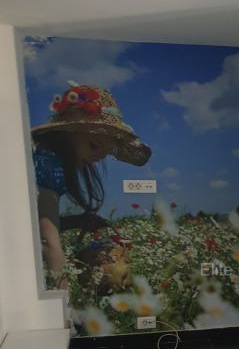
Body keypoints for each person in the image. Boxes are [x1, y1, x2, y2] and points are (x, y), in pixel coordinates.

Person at [31, 82, 151, 287]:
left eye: (104, 154)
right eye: (94, 146)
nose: (96, 158)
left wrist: (76, 221)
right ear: (68, 133)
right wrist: (65, 303)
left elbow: (32, 226)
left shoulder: (41, 156)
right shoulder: (48, 164)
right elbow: (49, 243)